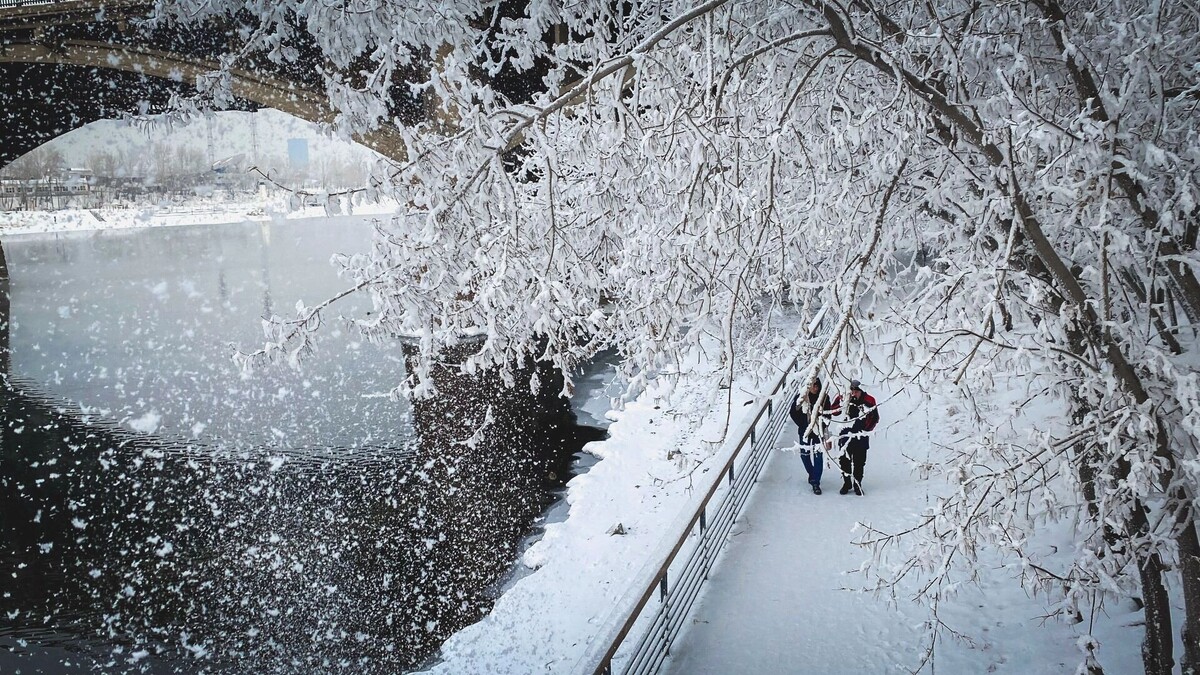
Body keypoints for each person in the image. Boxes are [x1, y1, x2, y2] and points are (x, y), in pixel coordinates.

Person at [830, 379, 879, 495]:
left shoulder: (869, 400)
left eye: (856, 391)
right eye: (851, 391)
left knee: (859, 462)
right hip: (845, 435)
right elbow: (834, 411)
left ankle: (858, 483)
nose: (853, 394)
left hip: (860, 436)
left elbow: (875, 417)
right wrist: (842, 402)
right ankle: (847, 483)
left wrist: (865, 430)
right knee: (844, 461)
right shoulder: (843, 398)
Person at [789, 377, 832, 494]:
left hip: (819, 432)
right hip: (805, 431)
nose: (815, 388)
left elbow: (828, 414)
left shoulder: (824, 398)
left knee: (818, 456)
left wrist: (821, 426)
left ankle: (816, 482)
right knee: (804, 455)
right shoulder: (802, 397)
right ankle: (811, 473)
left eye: (817, 386)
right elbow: (793, 412)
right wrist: (803, 424)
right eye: (813, 385)